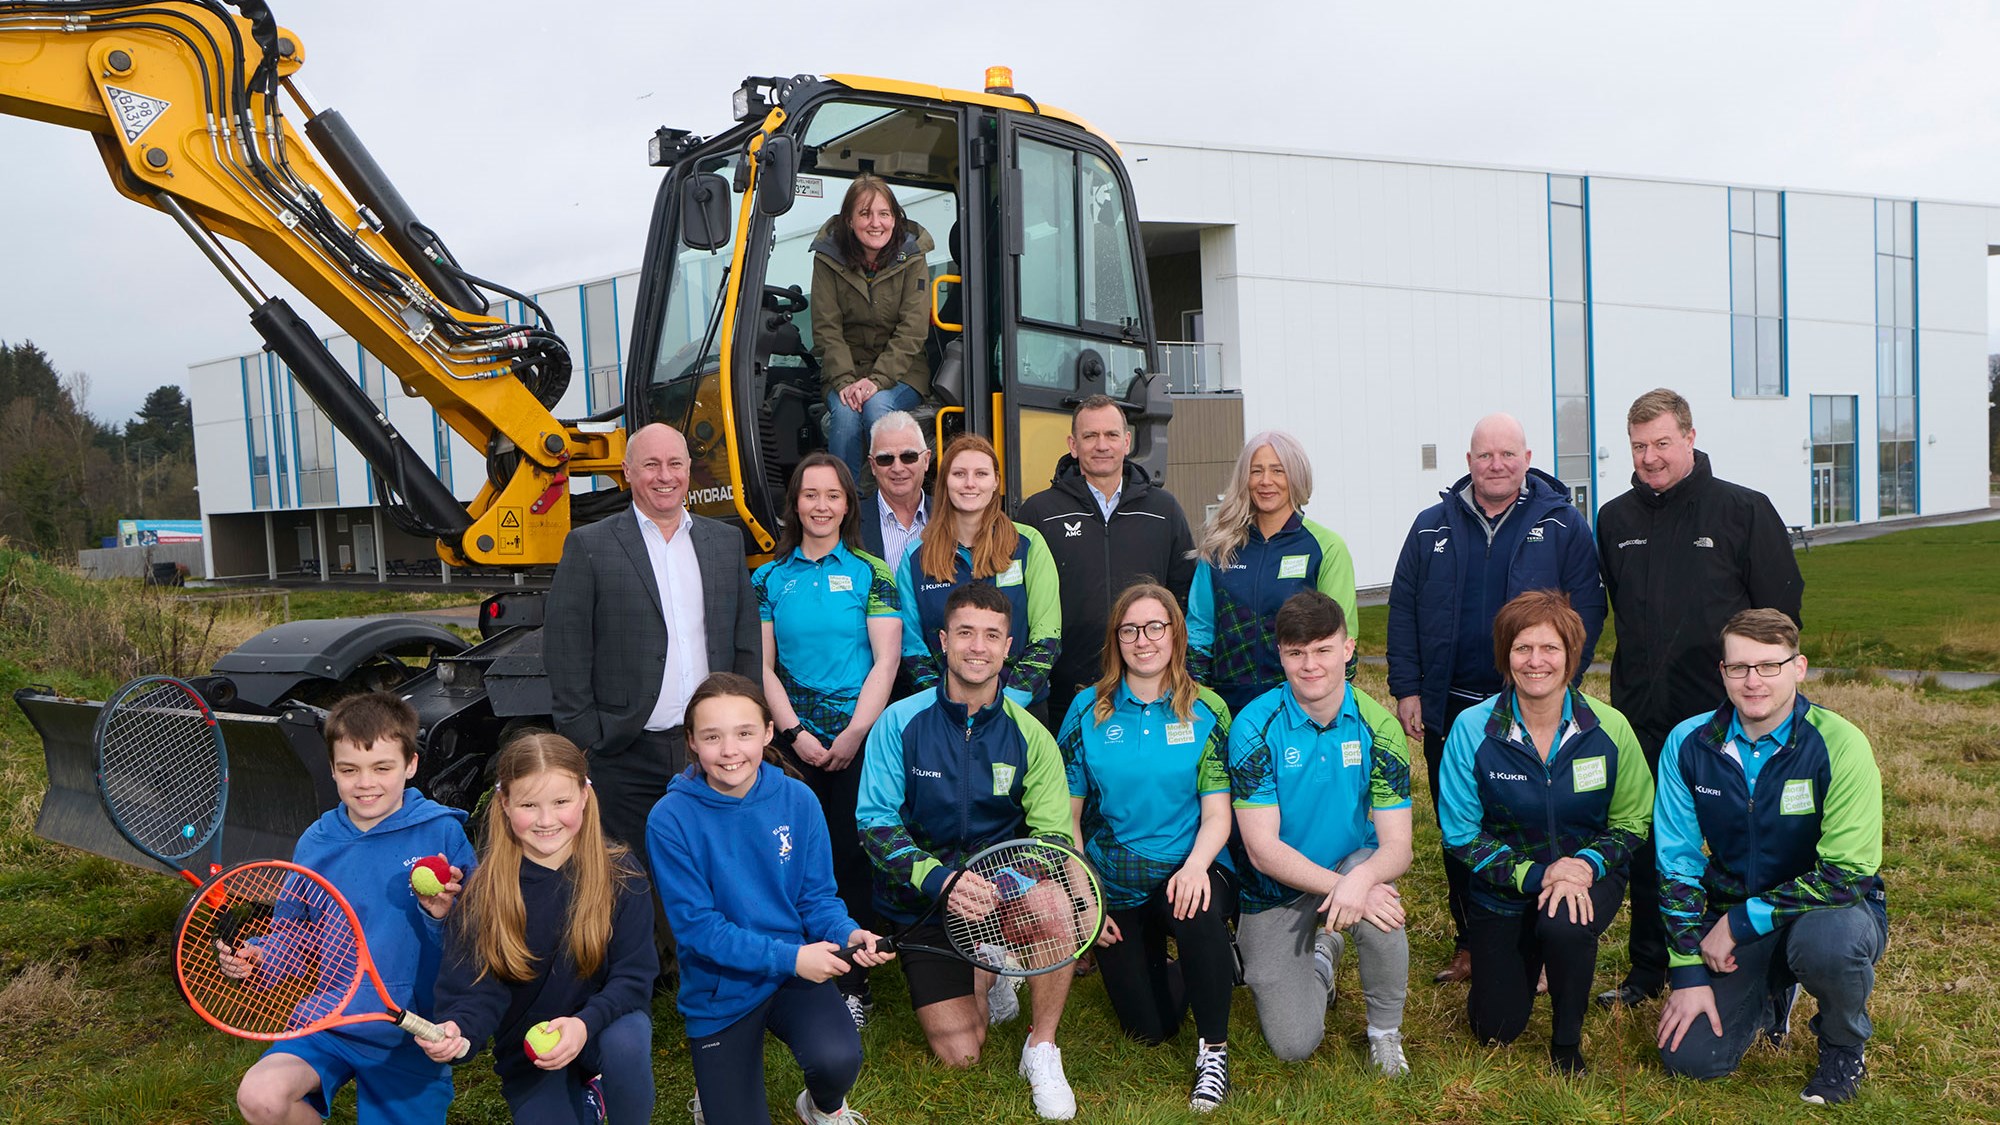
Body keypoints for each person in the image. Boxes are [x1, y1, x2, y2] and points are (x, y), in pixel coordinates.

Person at [1595, 389, 1804, 1009]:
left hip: (1728, 717)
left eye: (1662, 442)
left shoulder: (1742, 510)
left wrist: (1760, 694)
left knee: (1743, 840)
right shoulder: (1614, 519)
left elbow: (1780, 617)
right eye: (1639, 446)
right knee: (1651, 842)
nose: (1651, 457)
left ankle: (1759, 964)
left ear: (1689, 436)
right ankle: (1646, 972)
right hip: (1640, 714)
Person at [1387, 412, 1606, 986]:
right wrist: (1408, 688)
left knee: (1536, 824)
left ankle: (1542, 940)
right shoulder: (1431, 526)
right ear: (1468, 463)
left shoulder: (1561, 525)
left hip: (1533, 708)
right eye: (1485, 455)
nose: (1497, 465)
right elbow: (1404, 608)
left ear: (1527, 459)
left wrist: (1556, 684)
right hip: (1452, 709)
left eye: (1508, 454)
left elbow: (1587, 609)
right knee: (1463, 827)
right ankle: (1470, 941)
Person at [858, 583, 1082, 1120]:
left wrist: (1000, 884)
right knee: (962, 1055)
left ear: (1008, 647)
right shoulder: (899, 723)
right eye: (965, 633)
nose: (977, 647)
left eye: (991, 635)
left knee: (1054, 908)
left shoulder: (1032, 736)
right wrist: (943, 884)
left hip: (997, 894)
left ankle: (1042, 1048)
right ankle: (989, 970)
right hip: (925, 906)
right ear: (943, 641)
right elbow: (875, 826)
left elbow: (1053, 839)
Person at [543, 422, 761, 973]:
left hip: (708, 746)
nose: (665, 476)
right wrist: (584, 739)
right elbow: (566, 648)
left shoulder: (722, 541)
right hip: (624, 744)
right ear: (628, 473)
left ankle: (717, 964)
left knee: (714, 860)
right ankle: (640, 973)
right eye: (651, 465)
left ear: (689, 471)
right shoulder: (591, 545)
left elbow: (742, 640)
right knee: (629, 869)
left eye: (675, 464)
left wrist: (746, 722)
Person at [1654, 610, 1886, 1105]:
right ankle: (1772, 994)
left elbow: (1846, 875)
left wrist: (1738, 922)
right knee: (1691, 1060)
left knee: (1827, 947)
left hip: (1830, 911)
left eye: (1769, 666)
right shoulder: (1687, 743)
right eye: (1739, 667)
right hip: (1732, 906)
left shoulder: (1840, 743)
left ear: (1798, 668)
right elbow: (1677, 864)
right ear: (1722, 672)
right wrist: (1687, 972)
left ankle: (1843, 1045)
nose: (1753, 681)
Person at [649, 673, 894, 1125]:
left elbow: (817, 898)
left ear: (766, 732)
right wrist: (794, 958)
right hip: (721, 984)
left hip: (791, 974)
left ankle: (821, 1106)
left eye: (744, 733)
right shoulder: (670, 818)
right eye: (712, 737)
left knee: (839, 1058)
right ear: (692, 742)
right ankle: (716, 1092)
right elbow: (698, 929)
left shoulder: (799, 800)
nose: (729, 751)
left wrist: (847, 931)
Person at [231, 692, 476, 1125]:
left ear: (411, 765)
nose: (366, 783)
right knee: (261, 1097)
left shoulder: (442, 834)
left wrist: (440, 916)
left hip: (408, 1035)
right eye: (350, 770)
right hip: (330, 1023)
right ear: (332, 770)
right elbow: (297, 932)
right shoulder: (316, 843)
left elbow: (478, 939)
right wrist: (260, 955)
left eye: (382, 768)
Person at [1436, 590, 1652, 1075]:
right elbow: (1460, 833)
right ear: (1505, 656)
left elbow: (1633, 820)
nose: (1537, 661)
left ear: (1572, 656)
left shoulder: (1609, 728)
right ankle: (1530, 954)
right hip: (1504, 887)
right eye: (1522, 648)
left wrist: (1582, 867)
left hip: (1587, 875)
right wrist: (1539, 875)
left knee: (1564, 920)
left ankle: (1566, 1043)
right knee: (1496, 1029)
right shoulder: (1472, 729)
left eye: (1550, 648)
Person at [1058, 583, 1236, 1112]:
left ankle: (1214, 1052)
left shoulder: (1207, 710)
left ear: (1175, 634)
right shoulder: (1086, 710)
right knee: (1149, 1029)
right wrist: (1087, 896)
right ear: (1117, 639)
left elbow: (1218, 813)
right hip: (1116, 880)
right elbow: (1066, 817)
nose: (1143, 640)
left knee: (1195, 906)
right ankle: (1212, 968)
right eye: (1130, 629)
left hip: (1193, 863)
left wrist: (1197, 866)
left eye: (1155, 627)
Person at [424, 732, 657, 1123]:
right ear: (504, 803)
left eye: (561, 802)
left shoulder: (621, 874)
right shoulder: (484, 891)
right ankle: (584, 1104)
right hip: (530, 1055)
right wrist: (458, 1031)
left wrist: (584, 1025)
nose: (547, 820)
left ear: (585, 796)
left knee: (628, 1041)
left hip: (601, 1032)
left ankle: (604, 1094)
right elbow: (474, 993)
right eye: (529, 805)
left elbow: (633, 979)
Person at [1228, 591, 1413, 1075]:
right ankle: (1323, 955)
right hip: (1275, 888)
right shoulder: (1253, 725)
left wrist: (1358, 883)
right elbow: (1262, 850)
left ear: (1348, 649)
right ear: (1281, 654)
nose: (1310, 665)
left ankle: (1385, 1032)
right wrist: (1348, 891)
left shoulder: (1381, 725)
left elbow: (1397, 846)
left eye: (1323, 649)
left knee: (1380, 900)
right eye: (1296, 652)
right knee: (1293, 1043)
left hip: (1348, 862)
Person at [753, 451, 904, 1028]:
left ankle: (855, 985)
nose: (821, 505)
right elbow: (763, 668)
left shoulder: (874, 572)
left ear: (848, 504)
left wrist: (852, 734)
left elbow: (886, 661)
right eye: (810, 494)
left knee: (851, 861)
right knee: (792, 862)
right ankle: (796, 977)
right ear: (795, 503)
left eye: (832, 495)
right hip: (793, 747)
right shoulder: (768, 578)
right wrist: (795, 734)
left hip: (859, 742)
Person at [1020, 394, 1198, 726]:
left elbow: (1185, 596)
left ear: (1127, 442)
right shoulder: (1039, 513)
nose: (1102, 445)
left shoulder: (1164, 510)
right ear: (1073, 445)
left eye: (1111, 435)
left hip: (1147, 692)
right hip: (1063, 694)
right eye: (1090, 436)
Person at [1189, 431, 1357, 717]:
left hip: (1299, 706)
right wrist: (1197, 697)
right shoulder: (1219, 548)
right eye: (1257, 471)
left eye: (1278, 471)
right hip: (1228, 705)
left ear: (1296, 477)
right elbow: (1199, 630)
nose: (1266, 481)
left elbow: (1341, 637)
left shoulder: (1326, 547)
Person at [897, 433, 1062, 718]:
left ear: (996, 480)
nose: (970, 483)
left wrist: (1006, 705)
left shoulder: (1028, 544)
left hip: (1020, 710)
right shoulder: (916, 556)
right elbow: (911, 647)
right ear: (945, 481)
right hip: (944, 714)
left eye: (981, 474)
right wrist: (947, 706)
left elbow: (1047, 638)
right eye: (959, 473)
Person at [811, 174, 938, 479]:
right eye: (865, 214)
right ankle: (847, 506)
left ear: (895, 219)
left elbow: (913, 329)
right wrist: (844, 382)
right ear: (849, 220)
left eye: (884, 214)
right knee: (844, 415)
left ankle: (891, 502)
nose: (875, 223)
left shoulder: (913, 257)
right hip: (846, 373)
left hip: (902, 373)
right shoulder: (827, 259)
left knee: (877, 406)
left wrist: (877, 380)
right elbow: (827, 328)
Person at [857, 409, 931, 567]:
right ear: (873, 466)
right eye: (885, 459)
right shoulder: (850, 522)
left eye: (908, 457)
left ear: (926, 460)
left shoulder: (952, 515)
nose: (897, 468)